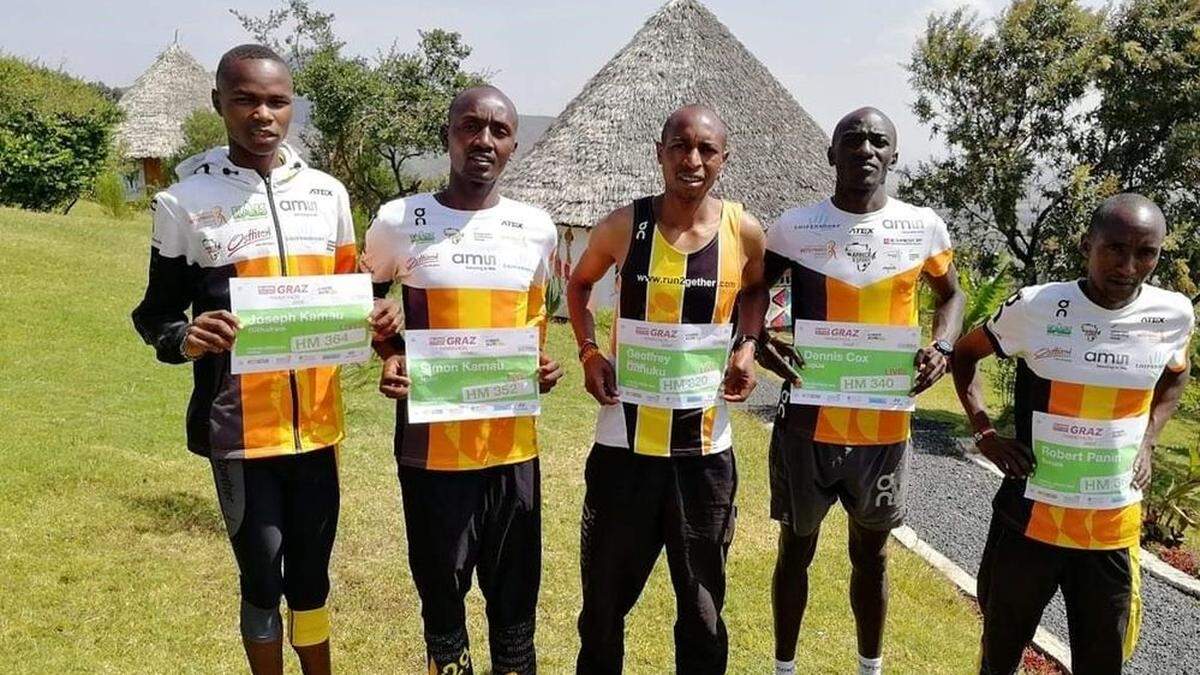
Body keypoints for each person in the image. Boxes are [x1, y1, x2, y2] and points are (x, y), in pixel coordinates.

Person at [131, 44, 398, 674]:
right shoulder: (182, 204)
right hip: (239, 431)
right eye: (246, 100)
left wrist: (377, 316)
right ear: (218, 103)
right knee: (261, 574)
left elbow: (351, 295)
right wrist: (185, 338)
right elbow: (155, 315)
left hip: (317, 430)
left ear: (292, 107)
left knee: (311, 577)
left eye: (277, 101)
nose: (263, 115)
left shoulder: (327, 195)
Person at [360, 85, 563, 675]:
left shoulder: (536, 228)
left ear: (513, 147)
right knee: (442, 605)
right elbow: (363, 305)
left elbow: (530, 332)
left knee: (515, 607)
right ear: (448, 134)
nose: (484, 141)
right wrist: (389, 351)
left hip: (512, 452)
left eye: (498, 132)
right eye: (471, 127)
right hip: (431, 454)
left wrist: (541, 372)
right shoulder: (399, 222)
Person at [756, 107, 965, 675]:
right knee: (795, 549)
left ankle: (869, 667)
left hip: (883, 428)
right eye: (852, 139)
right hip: (808, 421)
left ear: (894, 157)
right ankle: (784, 667)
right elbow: (755, 291)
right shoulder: (795, 226)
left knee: (870, 556)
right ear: (831, 154)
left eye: (879, 141)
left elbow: (952, 295)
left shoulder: (921, 227)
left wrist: (942, 347)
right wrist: (755, 338)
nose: (865, 149)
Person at [951, 193, 1194, 674]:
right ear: (1087, 244)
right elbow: (964, 354)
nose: (1129, 266)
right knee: (999, 654)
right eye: (1115, 249)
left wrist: (1148, 437)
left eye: (1146, 253)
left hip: (1110, 529)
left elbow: (1176, 373)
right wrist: (984, 432)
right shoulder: (1037, 306)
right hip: (1030, 521)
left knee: (1102, 664)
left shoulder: (1173, 313)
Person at [566, 104, 767, 674]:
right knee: (603, 606)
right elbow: (578, 285)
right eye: (680, 145)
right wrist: (587, 352)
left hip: (703, 458)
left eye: (707, 149)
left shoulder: (742, 230)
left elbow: (755, 291)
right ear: (660, 152)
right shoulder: (625, 225)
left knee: (702, 611)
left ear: (724, 160)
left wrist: (746, 347)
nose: (692, 159)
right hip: (623, 450)